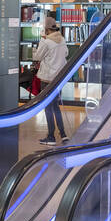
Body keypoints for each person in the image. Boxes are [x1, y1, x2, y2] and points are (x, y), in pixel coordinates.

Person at [34, 17, 69, 145]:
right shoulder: (62, 39)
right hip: (58, 78)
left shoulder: (46, 42)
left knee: (48, 107)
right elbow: (66, 53)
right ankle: (63, 134)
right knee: (56, 106)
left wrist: (41, 41)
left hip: (47, 79)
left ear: (46, 29)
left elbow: (37, 56)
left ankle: (51, 137)